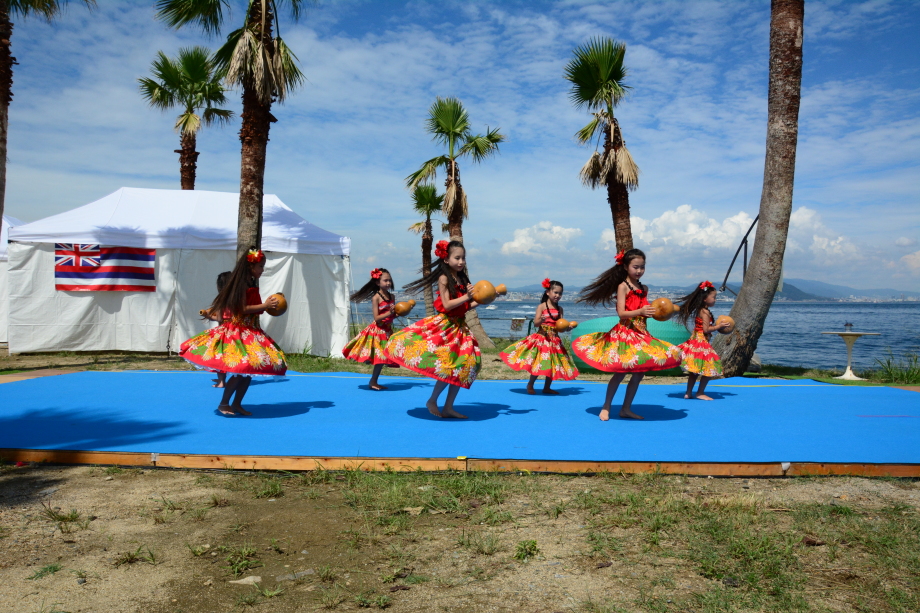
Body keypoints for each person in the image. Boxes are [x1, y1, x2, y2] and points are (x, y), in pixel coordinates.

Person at [573, 248, 681, 420]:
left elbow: (647, 310)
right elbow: (622, 313)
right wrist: (640, 311)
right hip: (625, 334)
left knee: (639, 373)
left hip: (642, 334)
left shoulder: (644, 288)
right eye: (635, 267)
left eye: (642, 267)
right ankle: (606, 406)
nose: (639, 271)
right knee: (620, 372)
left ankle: (626, 408)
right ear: (625, 267)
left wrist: (658, 312)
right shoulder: (622, 287)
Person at [180, 248, 287, 416]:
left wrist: (267, 305)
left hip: (250, 330)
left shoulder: (251, 283)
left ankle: (237, 404)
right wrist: (265, 305)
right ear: (250, 266)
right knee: (240, 370)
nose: (262, 269)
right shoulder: (241, 284)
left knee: (248, 372)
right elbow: (241, 308)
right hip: (238, 332)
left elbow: (252, 308)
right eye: (260, 266)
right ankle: (224, 403)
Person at [386, 240, 481, 419]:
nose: (461, 261)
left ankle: (448, 407)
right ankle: (432, 400)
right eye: (457, 258)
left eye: (463, 258)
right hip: (446, 327)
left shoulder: (462, 279)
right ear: (446, 259)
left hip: (460, 328)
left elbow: (465, 307)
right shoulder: (444, 278)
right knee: (448, 367)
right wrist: (468, 296)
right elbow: (447, 304)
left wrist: (485, 299)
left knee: (463, 366)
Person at [500, 278, 578, 394]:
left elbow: (560, 327)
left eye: (560, 293)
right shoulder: (542, 307)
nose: (558, 295)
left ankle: (547, 387)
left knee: (552, 365)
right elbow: (536, 323)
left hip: (554, 341)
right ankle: (530, 384)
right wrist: (541, 320)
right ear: (548, 292)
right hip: (542, 339)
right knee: (538, 363)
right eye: (555, 292)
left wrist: (567, 328)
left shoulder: (560, 309)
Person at [342, 267, 399, 390]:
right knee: (380, 358)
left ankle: (373, 381)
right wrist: (389, 312)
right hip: (378, 331)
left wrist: (398, 312)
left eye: (390, 280)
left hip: (388, 331)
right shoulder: (376, 298)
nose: (388, 283)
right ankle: (373, 382)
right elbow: (377, 318)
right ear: (377, 282)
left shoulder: (392, 296)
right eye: (385, 280)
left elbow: (392, 315)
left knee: (383, 358)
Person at [675, 280, 729, 400]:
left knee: (694, 370)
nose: (715, 300)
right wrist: (719, 327)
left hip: (695, 340)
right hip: (701, 342)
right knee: (710, 367)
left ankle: (688, 393)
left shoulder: (701, 310)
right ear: (705, 299)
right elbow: (706, 329)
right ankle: (700, 392)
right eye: (713, 297)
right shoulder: (705, 312)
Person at [205, 271, 232, 388]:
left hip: (224, 331)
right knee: (229, 355)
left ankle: (221, 381)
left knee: (219, 356)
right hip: (235, 331)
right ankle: (225, 379)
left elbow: (220, 318)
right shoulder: (236, 299)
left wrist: (208, 316)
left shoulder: (221, 299)